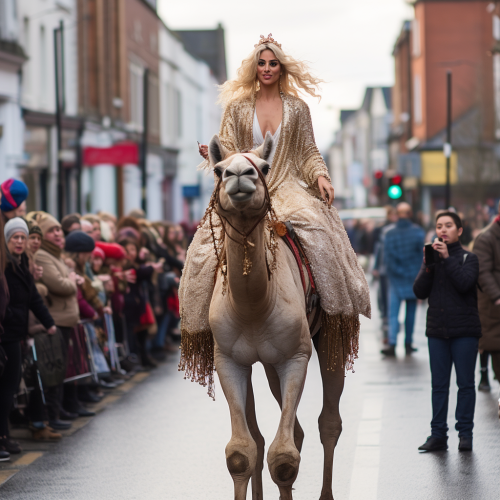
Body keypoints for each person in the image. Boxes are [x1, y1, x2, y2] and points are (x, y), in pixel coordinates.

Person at [181, 34, 370, 385]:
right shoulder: (236, 108)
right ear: (254, 68)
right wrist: (218, 159)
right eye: (262, 63)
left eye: (273, 63)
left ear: (281, 67)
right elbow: (230, 152)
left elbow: (309, 151)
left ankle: (334, 311)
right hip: (248, 186)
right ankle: (200, 326)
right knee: (203, 250)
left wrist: (321, 175)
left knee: (319, 232)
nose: (267, 69)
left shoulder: (298, 108)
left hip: (290, 187)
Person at [414, 212, 481, 452]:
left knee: (465, 384)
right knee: (439, 385)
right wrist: (429, 266)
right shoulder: (431, 260)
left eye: (449, 226)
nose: (443, 230)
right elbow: (419, 292)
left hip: (464, 332)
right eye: (439, 226)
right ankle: (438, 435)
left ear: (459, 230)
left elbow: (465, 283)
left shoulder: (468, 258)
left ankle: (465, 434)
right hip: (437, 332)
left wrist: (447, 258)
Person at [0, 218, 56, 454]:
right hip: (6, 334)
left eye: (23, 237)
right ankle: (2, 436)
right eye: (16, 237)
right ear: (6, 240)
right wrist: (12, 317)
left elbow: (33, 297)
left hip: (17, 334)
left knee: (10, 388)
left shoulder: (23, 263)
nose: (20, 242)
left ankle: (4, 435)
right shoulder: (4, 265)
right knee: (5, 387)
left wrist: (48, 322)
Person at [35, 213, 82, 429]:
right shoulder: (43, 256)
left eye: (58, 229)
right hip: (56, 321)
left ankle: (58, 410)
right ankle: (51, 415)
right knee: (53, 369)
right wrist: (72, 280)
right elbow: (60, 285)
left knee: (62, 368)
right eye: (52, 230)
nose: (57, 233)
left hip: (64, 320)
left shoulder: (56, 255)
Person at [381, 203, 424, 356]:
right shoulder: (418, 232)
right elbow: (421, 256)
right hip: (413, 277)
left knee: (393, 312)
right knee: (410, 313)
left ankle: (392, 342)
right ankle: (408, 342)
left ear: (397, 214)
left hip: (395, 277)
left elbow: (388, 258)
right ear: (410, 213)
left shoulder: (389, 233)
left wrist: (397, 271)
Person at [472, 207, 500, 414]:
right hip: (494, 307)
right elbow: (483, 270)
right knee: (496, 349)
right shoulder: (487, 238)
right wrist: (497, 296)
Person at [373, 206, 398, 343]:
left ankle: (388, 320)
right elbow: (378, 249)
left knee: (390, 296)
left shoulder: (393, 230)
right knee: (383, 294)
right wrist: (376, 266)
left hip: (390, 268)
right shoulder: (383, 229)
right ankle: (385, 317)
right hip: (385, 268)